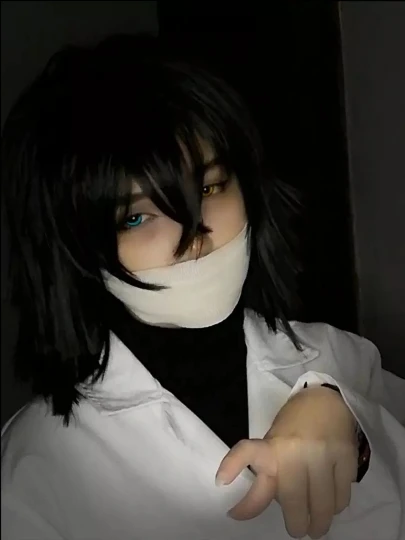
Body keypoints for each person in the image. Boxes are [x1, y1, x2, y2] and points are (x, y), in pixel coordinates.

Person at [1, 33, 404, 540]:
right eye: (136, 217)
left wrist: (356, 426)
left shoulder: (339, 359)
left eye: (210, 187)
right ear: (76, 251)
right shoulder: (37, 465)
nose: (193, 234)